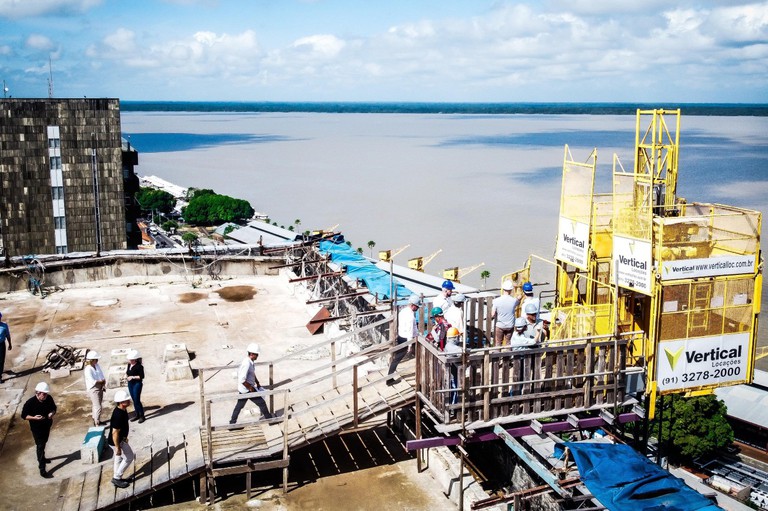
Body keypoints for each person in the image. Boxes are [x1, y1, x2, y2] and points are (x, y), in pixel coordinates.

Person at [21, 382, 56, 478]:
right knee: (40, 446)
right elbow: (24, 415)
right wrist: (34, 418)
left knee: (44, 442)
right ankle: (42, 468)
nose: (45, 396)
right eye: (43, 394)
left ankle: (43, 458)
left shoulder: (48, 398)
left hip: (47, 425)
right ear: (37, 393)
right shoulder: (30, 403)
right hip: (37, 429)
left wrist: (51, 413)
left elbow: (54, 408)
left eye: (46, 394)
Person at [230, 343, 272, 424]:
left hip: (245, 389)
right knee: (262, 403)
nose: (257, 356)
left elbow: (252, 373)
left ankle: (232, 423)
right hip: (247, 389)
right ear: (252, 354)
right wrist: (250, 388)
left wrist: (257, 382)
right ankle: (270, 420)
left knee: (239, 406)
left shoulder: (250, 362)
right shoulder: (246, 364)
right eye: (257, 354)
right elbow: (242, 379)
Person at [388, 294, 421, 386]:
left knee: (397, 358)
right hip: (408, 339)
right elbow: (410, 331)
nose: (417, 309)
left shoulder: (402, 312)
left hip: (401, 336)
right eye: (417, 307)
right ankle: (389, 379)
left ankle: (389, 377)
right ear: (412, 305)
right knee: (399, 358)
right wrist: (410, 345)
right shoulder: (410, 316)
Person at [108, 390, 133, 488]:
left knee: (118, 458)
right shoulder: (118, 415)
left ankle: (117, 477)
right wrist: (118, 447)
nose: (129, 401)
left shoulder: (122, 409)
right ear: (121, 402)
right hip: (117, 441)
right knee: (129, 457)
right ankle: (117, 477)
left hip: (120, 440)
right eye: (127, 400)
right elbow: (115, 433)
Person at [492, 280, 520, 346]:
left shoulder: (496, 301)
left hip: (500, 325)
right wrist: (519, 298)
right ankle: (507, 356)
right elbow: (518, 302)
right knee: (508, 343)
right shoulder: (513, 301)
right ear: (510, 290)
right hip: (510, 325)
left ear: (503, 289)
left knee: (498, 342)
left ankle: (497, 355)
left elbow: (492, 314)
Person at [84, 351, 106, 426]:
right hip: (93, 388)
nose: (97, 361)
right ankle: (97, 423)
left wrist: (103, 383)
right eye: (96, 359)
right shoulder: (88, 369)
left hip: (100, 386)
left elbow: (101, 374)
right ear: (92, 360)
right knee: (98, 407)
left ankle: (96, 420)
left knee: (96, 404)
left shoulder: (96, 365)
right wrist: (101, 381)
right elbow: (92, 381)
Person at [125, 350, 145, 423]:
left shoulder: (139, 366)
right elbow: (128, 372)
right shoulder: (129, 365)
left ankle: (142, 415)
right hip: (131, 384)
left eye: (132, 360)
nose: (130, 361)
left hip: (137, 384)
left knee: (137, 400)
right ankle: (137, 414)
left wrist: (133, 377)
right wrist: (127, 376)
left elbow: (141, 376)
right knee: (134, 399)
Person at [0, 311, 12, 384]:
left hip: (1, 345)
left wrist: (10, 344)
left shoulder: (4, 326)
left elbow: (8, 335)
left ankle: (0, 376)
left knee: (1, 361)